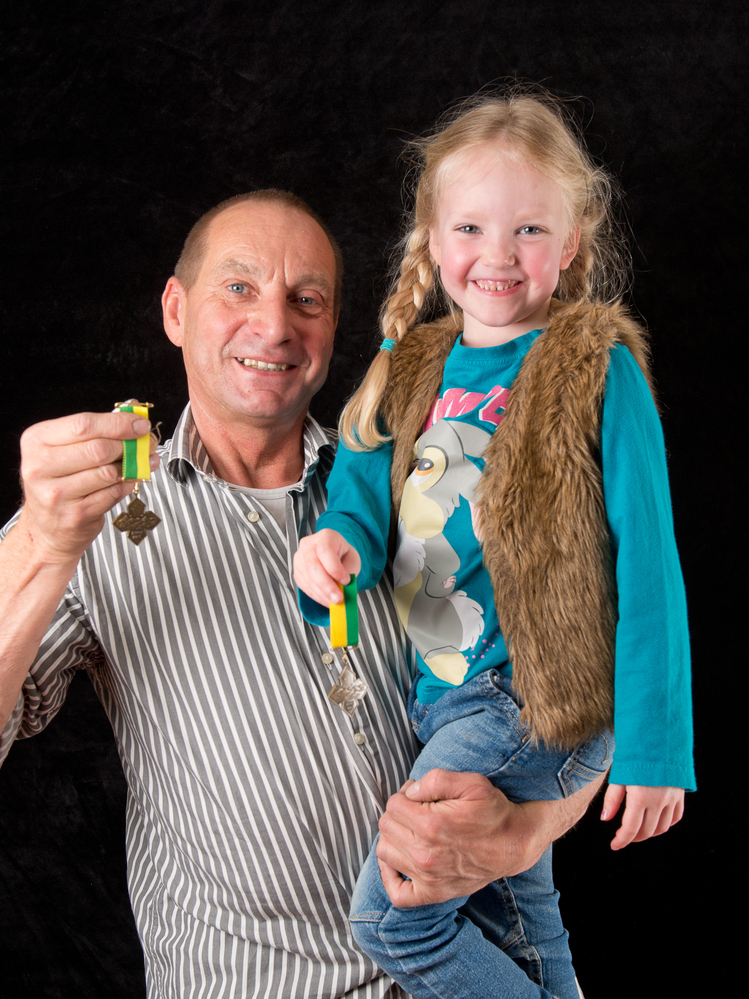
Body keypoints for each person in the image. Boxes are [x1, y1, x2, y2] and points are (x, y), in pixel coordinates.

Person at [0, 188, 606, 999]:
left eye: (305, 300)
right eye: (238, 288)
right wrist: (40, 546)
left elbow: (563, 683)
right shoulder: (86, 515)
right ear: (176, 310)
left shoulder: (414, 475)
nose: (274, 325)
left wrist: (530, 828)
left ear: (331, 327)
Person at [294, 92, 695, 999]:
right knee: (522, 932)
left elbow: (651, 562)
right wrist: (332, 550)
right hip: (440, 704)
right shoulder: (410, 367)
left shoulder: (594, 365)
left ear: (571, 242)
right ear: (434, 241)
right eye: (471, 227)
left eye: (528, 230)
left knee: (394, 916)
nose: (498, 255)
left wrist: (656, 748)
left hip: (530, 704)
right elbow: (357, 504)